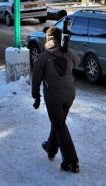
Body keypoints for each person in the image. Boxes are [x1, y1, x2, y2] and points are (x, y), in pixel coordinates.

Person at [31, 26, 80, 173]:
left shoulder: (44, 57)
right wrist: (66, 50)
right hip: (69, 95)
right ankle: (51, 149)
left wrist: (36, 96)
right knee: (58, 123)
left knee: (59, 125)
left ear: (48, 40)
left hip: (54, 97)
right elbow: (77, 61)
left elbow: (36, 78)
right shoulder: (67, 53)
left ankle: (71, 161)